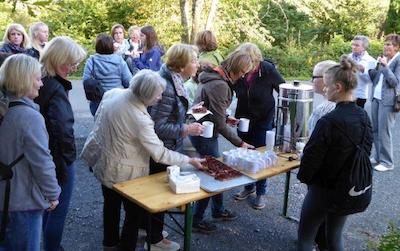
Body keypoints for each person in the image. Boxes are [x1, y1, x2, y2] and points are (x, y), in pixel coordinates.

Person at [80, 70, 203, 251]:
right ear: (145, 94)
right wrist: (189, 161)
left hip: (103, 160)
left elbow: (100, 122)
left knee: (111, 205)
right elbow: (159, 153)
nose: (160, 98)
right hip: (122, 171)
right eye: (158, 94)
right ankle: (126, 247)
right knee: (134, 213)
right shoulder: (139, 118)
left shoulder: (113, 93)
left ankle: (110, 243)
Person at [297, 55, 373, 251]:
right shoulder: (363, 115)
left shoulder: (329, 121)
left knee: (305, 238)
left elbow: (311, 158)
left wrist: (305, 178)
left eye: (327, 85)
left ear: (338, 87)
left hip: (322, 189)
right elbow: (366, 148)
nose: (324, 88)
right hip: (347, 186)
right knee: (334, 237)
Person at [189, 49, 254, 233]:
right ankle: (196, 219)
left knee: (217, 173)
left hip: (201, 129)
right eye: (242, 72)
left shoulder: (211, 77)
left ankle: (218, 210)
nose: (242, 77)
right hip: (204, 134)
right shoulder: (220, 85)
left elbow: (207, 107)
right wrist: (240, 143)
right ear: (235, 69)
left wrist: (226, 117)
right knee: (214, 175)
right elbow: (216, 121)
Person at [0, 54, 60, 251]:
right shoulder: (29, 117)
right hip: (21, 203)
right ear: (23, 80)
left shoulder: (4, 108)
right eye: (37, 78)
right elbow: (42, 161)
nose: (41, 84)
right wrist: (52, 194)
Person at [147, 44, 203, 250]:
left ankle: (150, 230)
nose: (197, 64)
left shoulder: (174, 80)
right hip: (162, 150)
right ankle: (154, 240)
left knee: (158, 192)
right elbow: (157, 126)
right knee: (159, 195)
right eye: (194, 61)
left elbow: (170, 113)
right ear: (181, 66)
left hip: (168, 147)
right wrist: (187, 129)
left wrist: (189, 112)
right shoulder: (167, 86)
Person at [34, 36, 86, 251]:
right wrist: (68, 160)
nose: (73, 68)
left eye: (76, 64)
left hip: (43, 154)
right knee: (58, 208)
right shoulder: (54, 87)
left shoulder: (39, 79)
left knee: (47, 206)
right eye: (70, 63)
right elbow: (62, 130)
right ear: (56, 59)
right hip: (57, 158)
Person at [232, 43, 285, 210]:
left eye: (249, 61)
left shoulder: (267, 70)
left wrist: (285, 115)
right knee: (244, 152)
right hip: (243, 117)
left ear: (256, 60)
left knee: (261, 154)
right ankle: (248, 187)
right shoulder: (239, 71)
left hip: (263, 119)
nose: (245, 66)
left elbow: (283, 89)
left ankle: (261, 192)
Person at [305, 60, 337, 251]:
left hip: (321, 177)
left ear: (327, 80)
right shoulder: (338, 106)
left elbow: (315, 146)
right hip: (333, 178)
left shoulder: (325, 110)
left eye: (315, 76)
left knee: (314, 225)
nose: (312, 80)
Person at [368, 34, 400, 172]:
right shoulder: (384, 59)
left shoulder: (398, 61)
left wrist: (386, 67)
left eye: (389, 44)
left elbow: (394, 82)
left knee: (384, 131)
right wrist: (375, 66)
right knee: (375, 129)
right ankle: (378, 157)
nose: (386, 47)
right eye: (385, 44)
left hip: (389, 100)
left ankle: (387, 162)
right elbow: (375, 78)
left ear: (397, 47)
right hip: (376, 97)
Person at [82, 33, 132, 116]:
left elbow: (86, 80)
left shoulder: (92, 60)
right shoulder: (119, 60)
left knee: (99, 125)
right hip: (117, 99)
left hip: (98, 101)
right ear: (111, 46)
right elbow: (128, 81)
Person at [348, 35, 377, 108]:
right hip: (347, 94)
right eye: (353, 44)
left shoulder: (371, 61)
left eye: (357, 45)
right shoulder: (348, 57)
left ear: (364, 47)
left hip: (360, 95)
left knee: (357, 118)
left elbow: (371, 81)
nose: (353, 47)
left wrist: (363, 71)